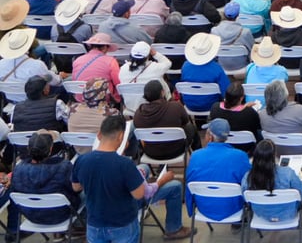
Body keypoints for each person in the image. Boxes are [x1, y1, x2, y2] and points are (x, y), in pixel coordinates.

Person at [73, 114, 191, 242]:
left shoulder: (81, 160)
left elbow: (76, 187)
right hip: (122, 224)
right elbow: (139, 194)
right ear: (121, 137)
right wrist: (160, 181)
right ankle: (174, 229)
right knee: (173, 187)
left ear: (99, 134)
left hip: (94, 223)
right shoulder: (124, 164)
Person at [9, 130, 80, 241]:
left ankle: (61, 233)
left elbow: (15, 193)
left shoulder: (18, 169)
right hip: (61, 213)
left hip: (31, 215)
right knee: (86, 189)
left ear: (28, 148)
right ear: (51, 149)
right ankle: (78, 229)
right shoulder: (64, 166)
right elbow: (75, 190)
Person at [242, 139, 302, 222]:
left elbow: (245, 197)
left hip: (261, 214)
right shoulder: (288, 173)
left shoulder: (248, 177)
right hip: (288, 213)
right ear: (274, 156)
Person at [133, 79, 198, 162]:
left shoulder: (138, 114)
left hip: (151, 152)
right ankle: (199, 158)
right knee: (192, 127)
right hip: (176, 150)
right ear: (162, 92)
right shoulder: (176, 107)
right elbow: (186, 122)